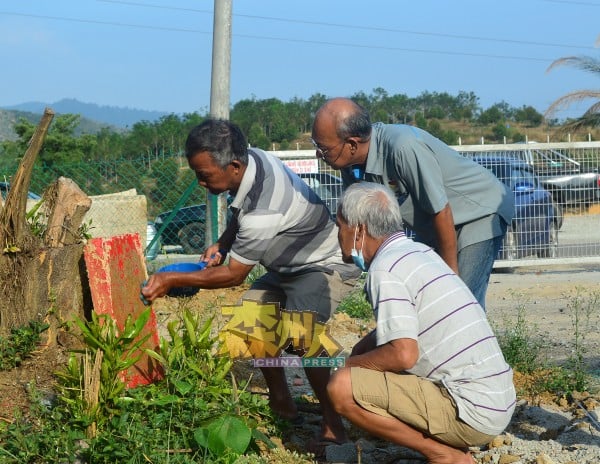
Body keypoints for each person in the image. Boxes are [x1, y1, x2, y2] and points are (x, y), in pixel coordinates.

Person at [141, 118, 361, 449]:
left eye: (205, 176)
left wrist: (170, 276)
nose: (201, 183)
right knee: (252, 318)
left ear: (233, 165)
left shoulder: (264, 210)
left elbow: (234, 275)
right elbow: (239, 211)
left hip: (322, 264)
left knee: (301, 335)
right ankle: (282, 402)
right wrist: (225, 242)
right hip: (288, 265)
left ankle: (333, 424)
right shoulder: (253, 158)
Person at [328, 181, 516, 464]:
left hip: (470, 411)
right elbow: (409, 325)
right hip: (496, 401)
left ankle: (444, 455)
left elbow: (404, 354)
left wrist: (347, 365)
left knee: (341, 386)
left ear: (358, 229)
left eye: (339, 224)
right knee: (364, 359)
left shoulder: (385, 269)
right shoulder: (419, 253)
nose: (338, 232)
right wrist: (360, 351)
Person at [311, 97, 514, 309]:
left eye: (323, 148)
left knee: (460, 301)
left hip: (477, 211)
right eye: (316, 146)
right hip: (439, 227)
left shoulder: (402, 147)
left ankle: (473, 339)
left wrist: (450, 279)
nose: (319, 154)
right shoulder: (349, 166)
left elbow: (441, 211)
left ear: (352, 144)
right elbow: (368, 227)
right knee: (426, 300)